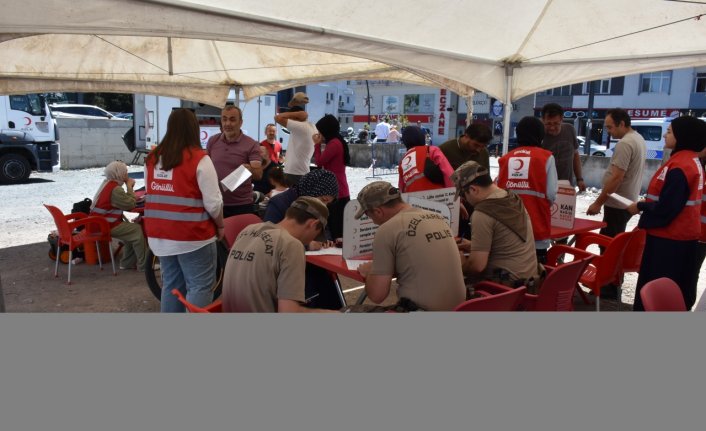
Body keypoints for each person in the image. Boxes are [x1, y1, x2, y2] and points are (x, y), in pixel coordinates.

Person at [143, 108, 224, 313]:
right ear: (194, 129)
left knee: (171, 285)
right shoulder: (199, 159)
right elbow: (213, 203)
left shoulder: (152, 159)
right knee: (199, 285)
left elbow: (150, 192)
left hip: (160, 235)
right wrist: (220, 226)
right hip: (192, 236)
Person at [628, 116, 706, 311]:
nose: (665, 134)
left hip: (668, 241)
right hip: (681, 239)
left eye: (669, 131)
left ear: (682, 136)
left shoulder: (681, 166)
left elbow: (668, 207)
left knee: (655, 293)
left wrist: (640, 206)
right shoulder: (692, 161)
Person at [351, 181, 465, 311]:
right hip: (459, 309)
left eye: (368, 215)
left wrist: (370, 272)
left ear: (378, 211)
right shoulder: (438, 218)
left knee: (335, 313)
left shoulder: (387, 229)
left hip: (420, 312)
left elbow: (377, 295)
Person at [222, 197, 336, 313]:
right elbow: (288, 312)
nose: (312, 240)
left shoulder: (247, 230)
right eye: (316, 234)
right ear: (313, 224)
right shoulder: (291, 245)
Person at [451, 161, 542, 292]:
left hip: (504, 289)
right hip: (530, 283)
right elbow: (506, 244)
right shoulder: (512, 198)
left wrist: (461, 262)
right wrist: (473, 245)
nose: (464, 200)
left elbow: (477, 266)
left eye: (463, 195)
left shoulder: (483, 213)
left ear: (473, 189)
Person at [586, 108, 646, 299]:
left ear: (622, 124)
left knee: (609, 247)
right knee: (614, 245)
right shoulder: (638, 139)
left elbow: (616, 177)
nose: (608, 131)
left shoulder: (625, 144)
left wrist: (598, 202)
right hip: (627, 201)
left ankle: (608, 287)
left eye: (610, 127)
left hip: (617, 203)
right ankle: (611, 285)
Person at [263, 168, 342, 309]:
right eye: (323, 200)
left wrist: (326, 240)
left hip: (317, 261)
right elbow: (271, 241)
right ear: (312, 190)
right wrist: (306, 245)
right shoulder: (278, 204)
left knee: (329, 285)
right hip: (288, 266)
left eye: (328, 203)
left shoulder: (316, 205)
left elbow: (324, 228)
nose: (324, 205)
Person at [496, 116, 558, 263]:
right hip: (537, 227)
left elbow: (498, 190)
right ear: (540, 134)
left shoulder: (505, 159)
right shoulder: (546, 157)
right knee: (535, 275)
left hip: (508, 228)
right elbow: (551, 193)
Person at [89, 160, 147, 271]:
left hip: (99, 223)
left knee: (131, 231)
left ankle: (127, 262)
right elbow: (130, 204)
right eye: (125, 172)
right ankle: (144, 265)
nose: (127, 174)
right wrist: (129, 186)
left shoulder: (107, 183)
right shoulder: (115, 189)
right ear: (120, 174)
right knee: (136, 229)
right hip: (105, 225)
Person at [206, 105, 262, 217]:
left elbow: (258, 174)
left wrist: (250, 169)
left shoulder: (251, 144)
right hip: (216, 203)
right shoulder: (213, 141)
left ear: (240, 122)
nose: (227, 124)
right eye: (224, 119)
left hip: (241, 205)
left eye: (232, 119)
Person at [313, 114, 351, 240]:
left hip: (336, 188)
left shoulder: (334, 143)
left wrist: (317, 145)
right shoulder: (338, 141)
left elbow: (320, 161)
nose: (319, 134)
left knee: (336, 226)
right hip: (339, 185)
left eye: (320, 131)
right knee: (340, 225)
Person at [541, 103, 586, 192]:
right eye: (548, 124)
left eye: (556, 123)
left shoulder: (570, 129)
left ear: (562, 119)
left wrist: (579, 179)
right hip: (545, 187)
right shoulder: (539, 134)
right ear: (543, 120)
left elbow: (575, 156)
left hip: (567, 186)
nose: (552, 127)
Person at [275, 92, 316, 186]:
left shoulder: (300, 127)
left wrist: (296, 113)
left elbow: (277, 118)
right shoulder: (312, 126)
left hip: (294, 173)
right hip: (302, 171)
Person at [397, 125, 454, 192]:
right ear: (422, 137)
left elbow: (401, 188)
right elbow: (448, 173)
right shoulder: (431, 150)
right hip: (438, 197)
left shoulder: (403, 161)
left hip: (413, 200)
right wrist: (454, 195)